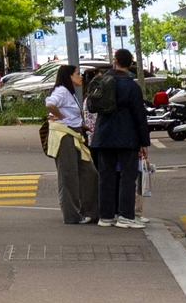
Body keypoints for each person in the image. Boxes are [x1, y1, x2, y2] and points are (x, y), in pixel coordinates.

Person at [87, 50, 152, 228]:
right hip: (126, 136)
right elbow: (140, 116)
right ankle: (125, 216)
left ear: (115, 61)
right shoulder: (132, 86)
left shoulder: (102, 81)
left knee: (106, 177)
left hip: (103, 135)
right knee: (127, 177)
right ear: (130, 64)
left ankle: (106, 216)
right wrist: (144, 142)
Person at [43, 66, 97, 225]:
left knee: (90, 173)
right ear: (69, 76)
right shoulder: (61, 91)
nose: (81, 77)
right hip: (64, 136)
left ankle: (89, 211)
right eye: (77, 74)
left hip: (73, 134)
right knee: (68, 176)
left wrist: (80, 125)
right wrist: (61, 117)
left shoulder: (69, 93)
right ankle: (72, 215)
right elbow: (50, 104)